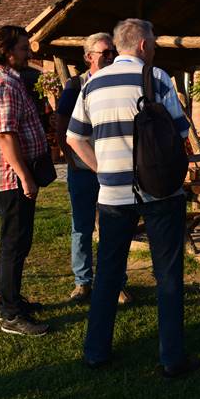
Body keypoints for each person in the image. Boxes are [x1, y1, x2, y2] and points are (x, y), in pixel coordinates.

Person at [66, 18, 199, 378]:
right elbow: (181, 130)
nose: (154, 47)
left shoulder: (92, 84)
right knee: (168, 274)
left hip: (112, 194)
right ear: (142, 45)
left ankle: (96, 351)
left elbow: (74, 138)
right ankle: (171, 357)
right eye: (152, 41)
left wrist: (100, 169)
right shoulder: (156, 79)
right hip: (161, 193)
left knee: (108, 272)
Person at [0, 25, 49, 336]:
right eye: (23, 48)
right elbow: (6, 136)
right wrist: (25, 177)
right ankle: (9, 312)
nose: (29, 53)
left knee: (19, 242)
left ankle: (10, 301)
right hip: (11, 178)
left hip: (16, 176)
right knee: (14, 242)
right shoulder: (3, 86)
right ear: (7, 52)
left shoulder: (10, 81)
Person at [56, 32, 132, 304]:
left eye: (113, 51)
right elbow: (61, 123)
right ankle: (82, 282)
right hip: (83, 171)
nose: (111, 56)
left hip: (113, 169)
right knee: (82, 226)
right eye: (105, 52)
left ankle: (115, 282)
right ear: (89, 57)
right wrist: (72, 158)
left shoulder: (120, 82)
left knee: (115, 228)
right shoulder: (75, 85)